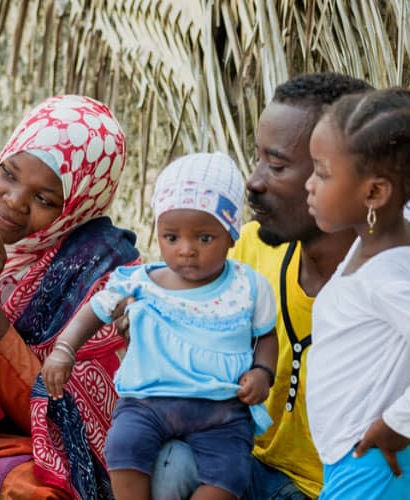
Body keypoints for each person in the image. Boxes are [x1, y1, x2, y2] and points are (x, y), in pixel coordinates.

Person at [150, 72, 375, 499]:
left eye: (277, 166)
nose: (253, 181)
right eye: (258, 160)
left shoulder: (394, 288)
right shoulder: (250, 250)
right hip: (240, 463)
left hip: (332, 490)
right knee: (171, 461)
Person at [42, 152, 279, 500]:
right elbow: (96, 310)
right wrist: (64, 349)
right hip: (148, 402)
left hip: (222, 409)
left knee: (230, 473)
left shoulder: (249, 287)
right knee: (124, 447)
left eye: (204, 238)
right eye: (171, 237)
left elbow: (266, 337)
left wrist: (262, 372)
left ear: (231, 234)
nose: (186, 250)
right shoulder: (141, 281)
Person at [0, 95, 140, 499]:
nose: (13, 201)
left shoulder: (104, 277)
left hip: (14, 448)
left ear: (79, 206)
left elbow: (64, 423)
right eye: (8, 174)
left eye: (44, 199)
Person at [305, 87, 410, 499]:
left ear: (375, 193)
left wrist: (398, 423)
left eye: (321, 174)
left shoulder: (386, 279)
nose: (309, 185)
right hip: (353, 459)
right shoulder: (395, 227)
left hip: (372, 463)